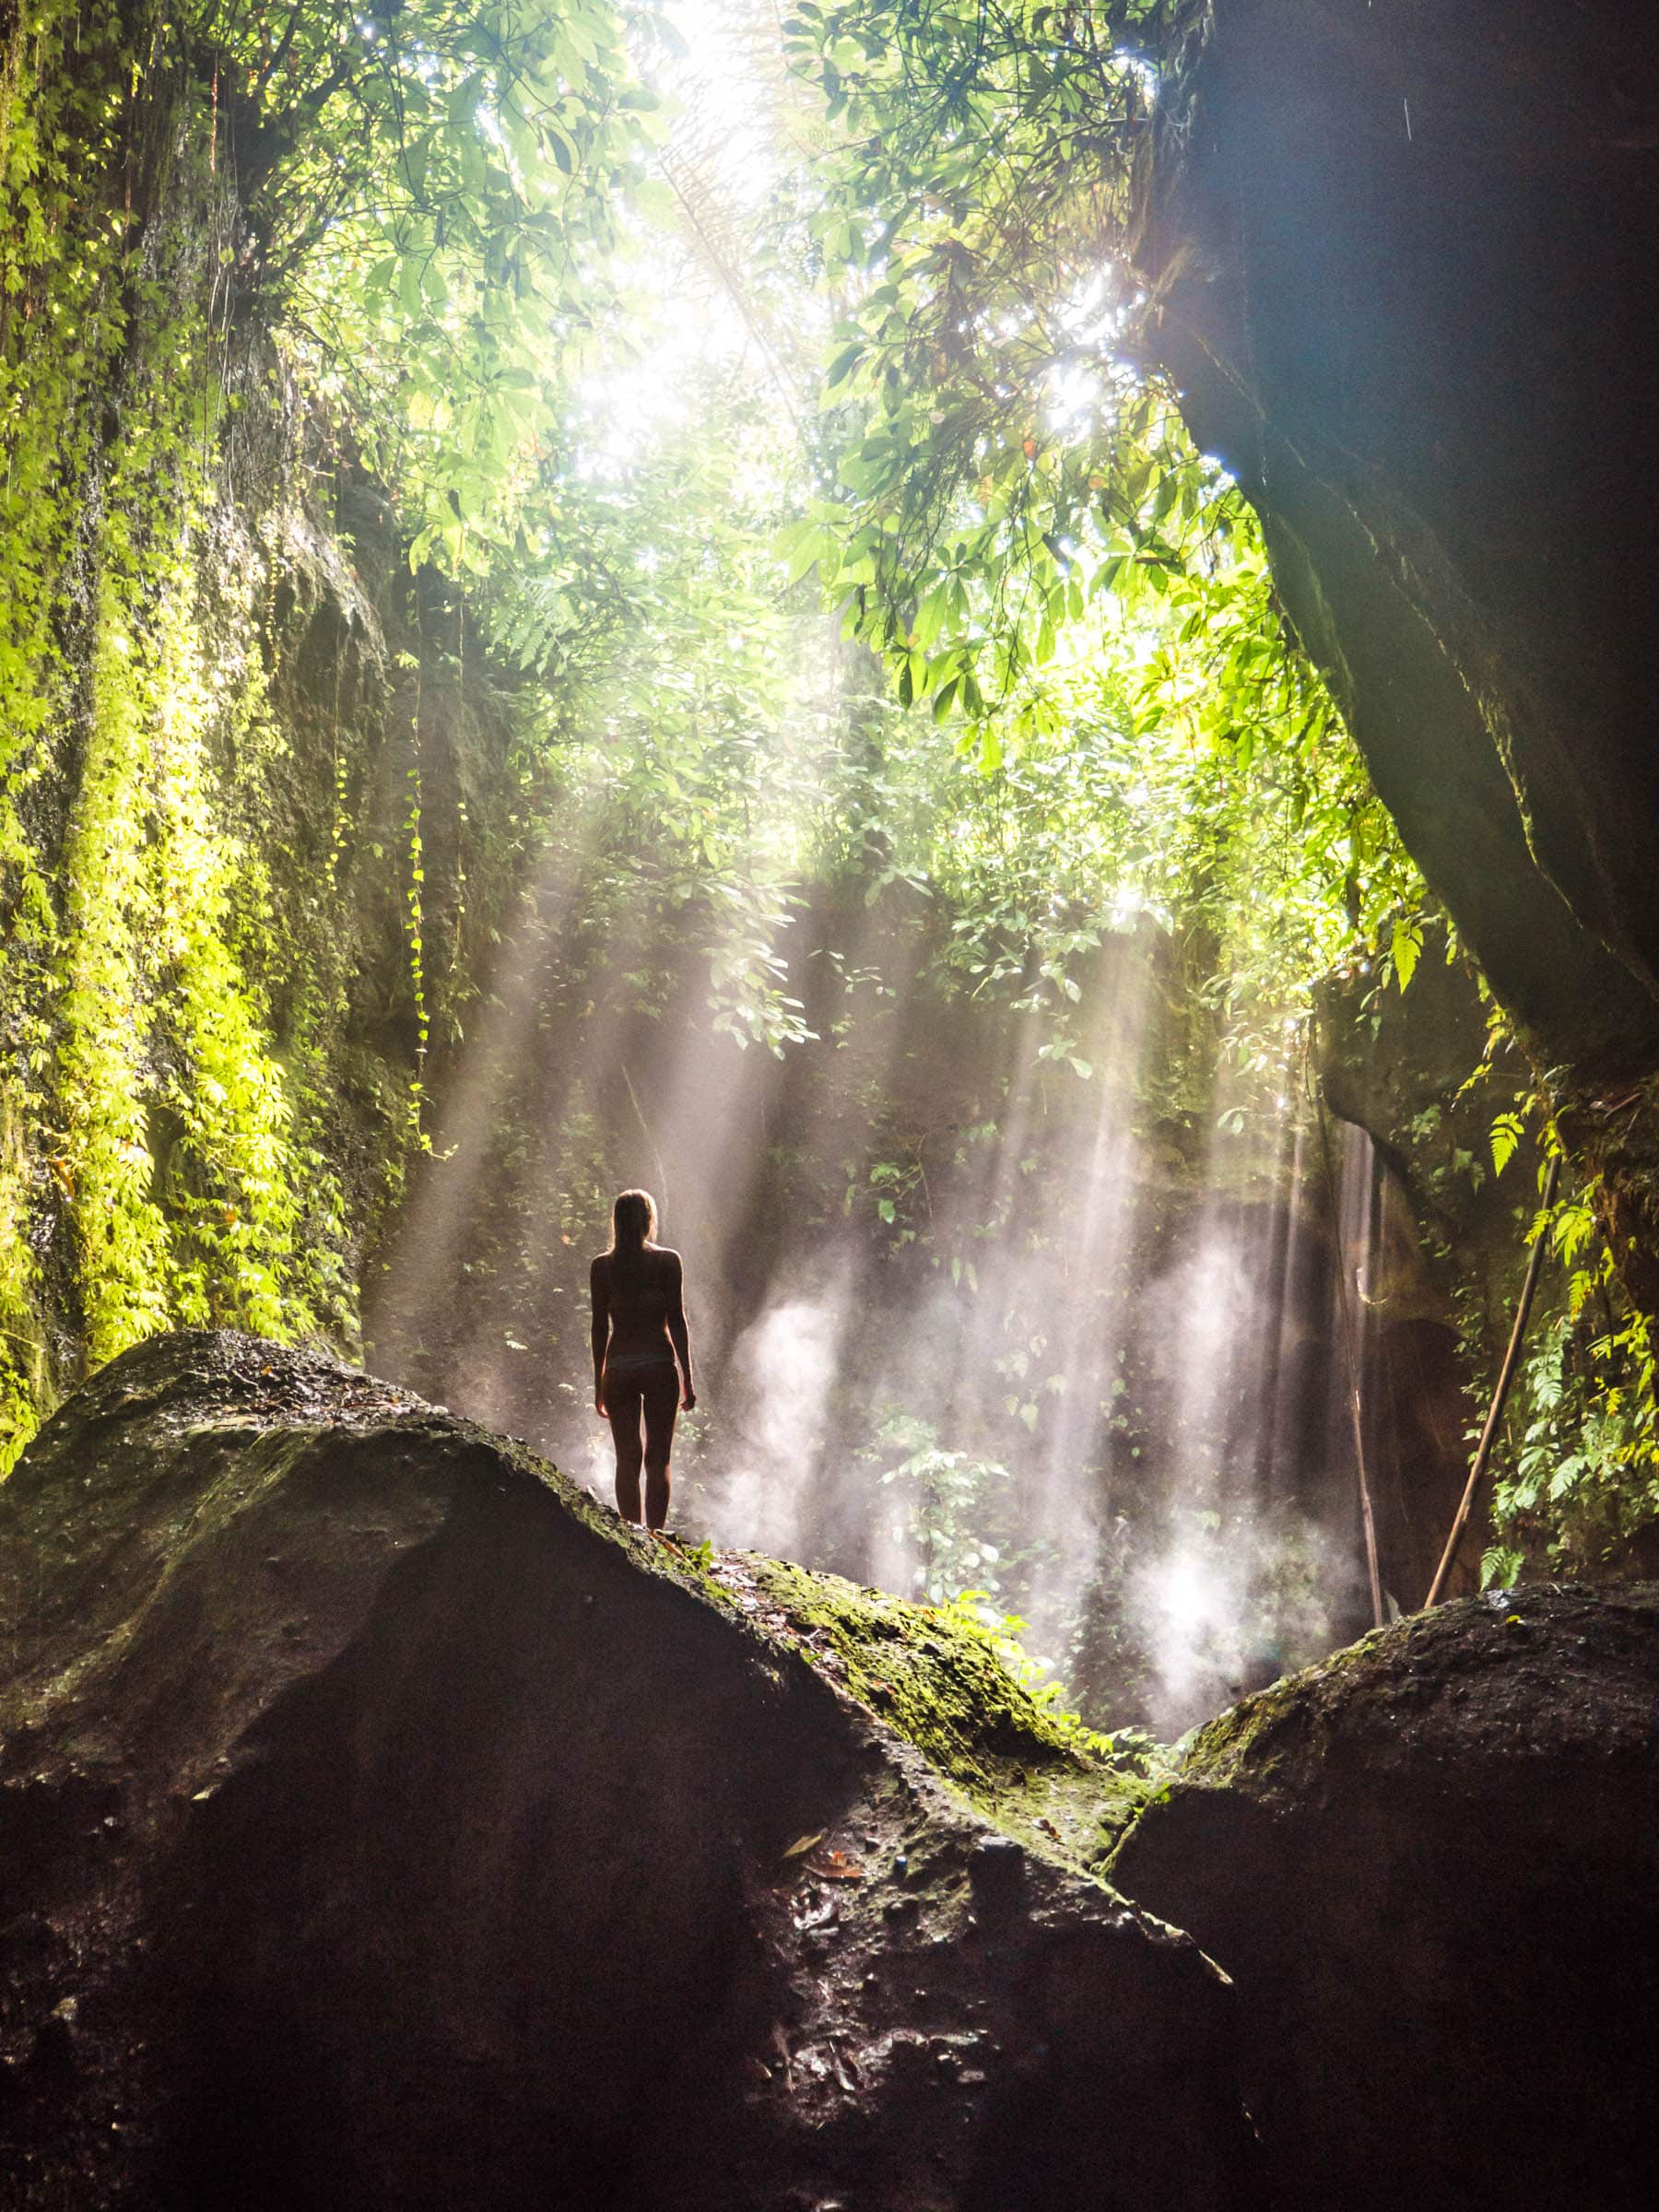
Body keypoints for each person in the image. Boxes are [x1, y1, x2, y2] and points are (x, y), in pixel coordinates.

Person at [590, 1189, 695, 1531]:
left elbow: (598, 1327)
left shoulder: (602, 1267)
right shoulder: (668, 1261)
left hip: (619, 1368)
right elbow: (677, 1320)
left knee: (628, 1459)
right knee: (657, 1459)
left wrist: (599, 1382)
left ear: (616, 1222)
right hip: (659, 1366)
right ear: (649, 1220)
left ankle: (632, 1541)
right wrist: (687, 1380)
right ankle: (655, 1538)